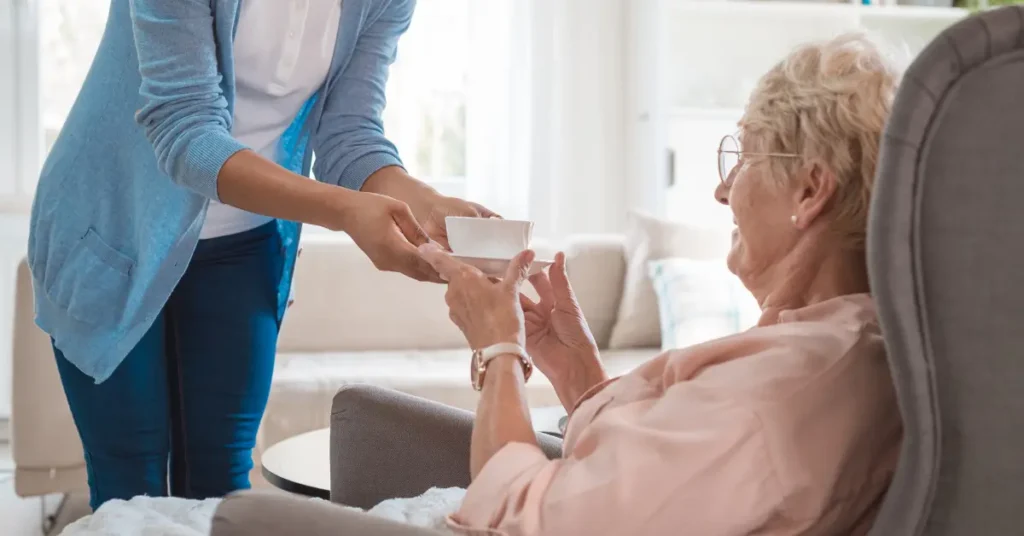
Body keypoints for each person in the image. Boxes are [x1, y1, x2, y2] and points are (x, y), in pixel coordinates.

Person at [416, 33, 903, 534]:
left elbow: (514, 517)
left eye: (745, 158)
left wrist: (499, 350)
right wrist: (576, 370)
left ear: (810, 189)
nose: (721, 189)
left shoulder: (772, 398)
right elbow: (662, 479)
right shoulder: (850, 344)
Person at [26, 0, 492, 510]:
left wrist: (425, 206)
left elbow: (349, 132)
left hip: (245, 242)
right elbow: (185, 132)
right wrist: (346, 213)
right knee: (130, 486)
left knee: (221, 485)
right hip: (112, 228)